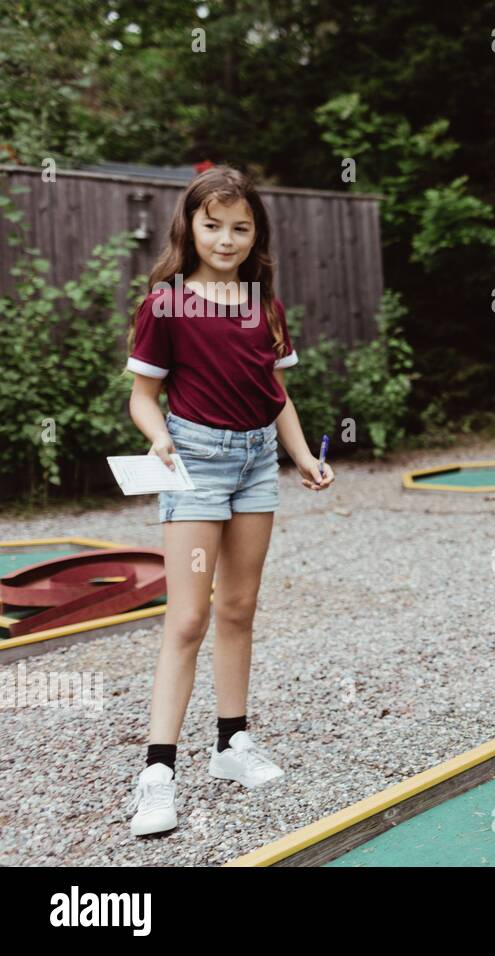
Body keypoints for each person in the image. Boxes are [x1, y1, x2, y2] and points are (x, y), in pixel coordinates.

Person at [123, 166, 335, 837]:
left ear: (255, 233)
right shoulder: (166, 304)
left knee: (239, 608)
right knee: (187, 619)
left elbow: (278, 395)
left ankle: (232, 746)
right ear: (189, 225)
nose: (226, 237)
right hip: (195, 465)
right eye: (212, 224)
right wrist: (158, 440)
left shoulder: (263, 306)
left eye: (240, 227)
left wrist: (301, 455)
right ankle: (157, 773)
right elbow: (141, 398)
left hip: (255, 466)